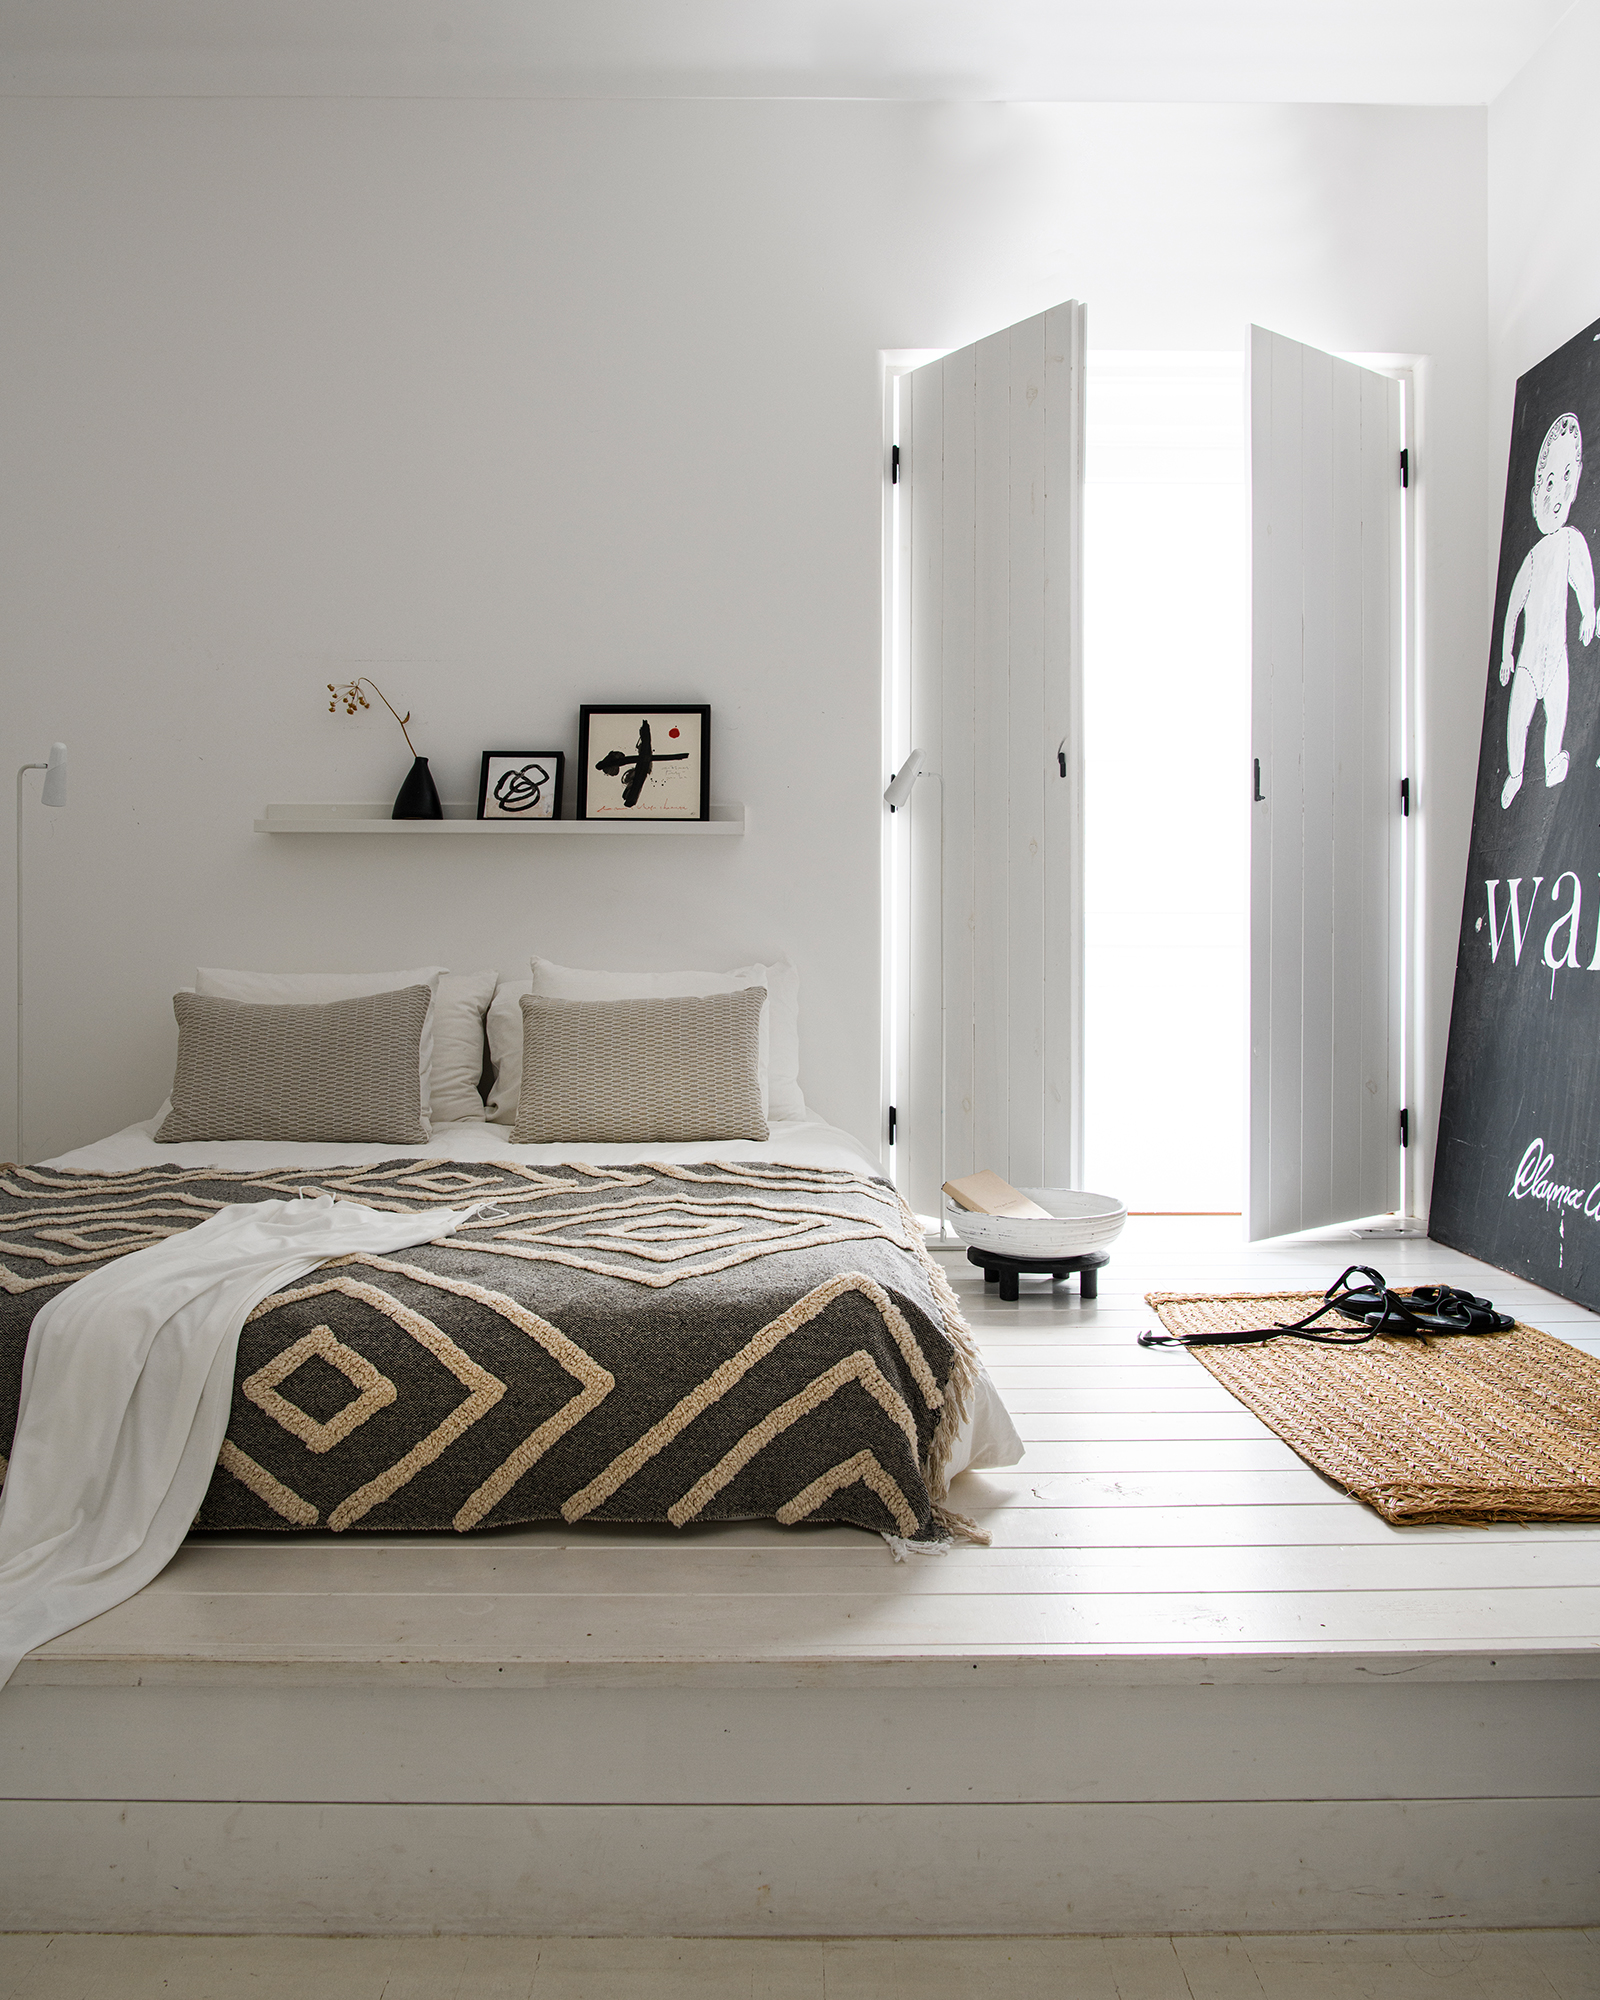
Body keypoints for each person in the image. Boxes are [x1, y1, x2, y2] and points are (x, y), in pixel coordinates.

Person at [1499, 411, 1596, 809]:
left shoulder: (1572, 542)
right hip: (1526, 664)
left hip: (1556, 656)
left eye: (1565, 482)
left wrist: (1590, 611)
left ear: (1574, 489)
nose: (1556, 495)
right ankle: (1516, 772)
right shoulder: (1534, 557)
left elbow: (1584, 578)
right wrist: (1506, 651)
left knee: (1558, 708)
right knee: (1516, 721)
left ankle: (1552, 759)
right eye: (1549, 483)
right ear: (1536, 491)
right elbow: (1513, 608)